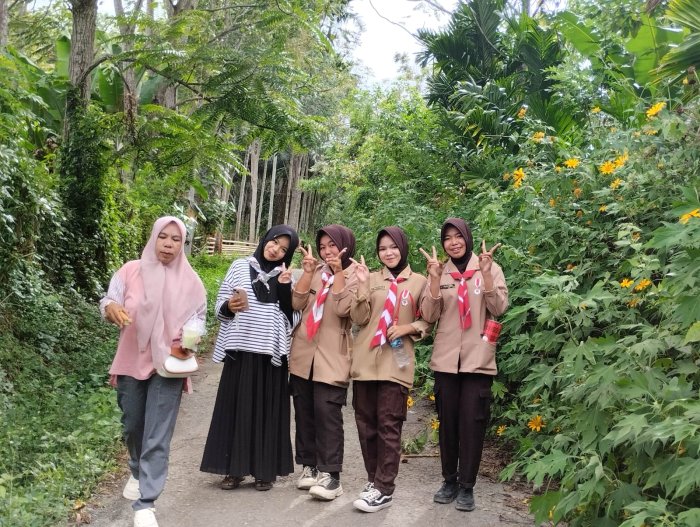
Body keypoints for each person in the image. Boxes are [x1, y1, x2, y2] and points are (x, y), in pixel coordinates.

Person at [100, 216, 207, 527]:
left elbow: (198, 318)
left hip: (169, 365)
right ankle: (136, 468)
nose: (169, 244)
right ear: (153, 238)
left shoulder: (192, 281)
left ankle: (146, 503)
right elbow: (110, 300)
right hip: (131, 359)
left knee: (158, 433)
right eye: (163, 237)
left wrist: (190, 339)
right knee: (133, 424)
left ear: (182, 244)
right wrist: (109, 308)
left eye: (176, 239)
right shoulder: (130, 271)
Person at [199, 225, 299, 492]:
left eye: (283, 249)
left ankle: (264, 471)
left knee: (268, 412)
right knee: (235, 409)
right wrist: (229, 306)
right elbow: (220, 306)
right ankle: (233, 470)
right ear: (265, 239)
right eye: (274, 242)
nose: (275, 250)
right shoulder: (240, 266)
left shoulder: (287, 276)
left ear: (287, 254)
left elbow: (294, 318)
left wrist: (285, 289)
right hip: (240, 350)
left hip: (272, 354)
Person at [419, 218, 508, 512]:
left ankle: (467, 485)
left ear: (467, 238)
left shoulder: (488, 267)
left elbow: (499, 308)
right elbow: (429, 316)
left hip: (477, 360)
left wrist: (487, 275)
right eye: (447, 238)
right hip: (446, 360)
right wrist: (433, 280)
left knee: (473, 424)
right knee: (448, 425)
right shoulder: (439, 271)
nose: (453, 242)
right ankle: (449, 480)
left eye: (458, 236)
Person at [349, 227, 431, 513]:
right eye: (383, 248)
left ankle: (385, 489)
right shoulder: (370, 278)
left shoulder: (419, 282)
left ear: (403, 248)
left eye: (393, 247)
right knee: (366, 427)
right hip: (365, 362)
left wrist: (409, 328)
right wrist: (361, 286)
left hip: (396, 364)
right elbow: (358, 318)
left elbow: (430, 318)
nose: (388, 253)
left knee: (389, 426)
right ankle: (373, 481)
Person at [288, 225, 357, 501]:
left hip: (333, 354)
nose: (327, 251)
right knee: (304, 411)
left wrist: (338, 273)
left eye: (333, 245)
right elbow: (296, 303)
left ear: (346, 246)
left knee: (327, 413)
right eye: (323, 246)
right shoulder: (315, 271)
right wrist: (306, 273)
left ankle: (331, 476)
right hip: (304, 352)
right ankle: (309, 466)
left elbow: (344, 309)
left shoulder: (356, 274)